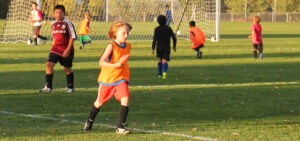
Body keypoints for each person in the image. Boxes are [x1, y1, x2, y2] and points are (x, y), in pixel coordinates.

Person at [83, 21, 132, 134]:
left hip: (121, 78)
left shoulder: (128, 46)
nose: (126, 35)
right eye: (123, 33)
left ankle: (120, 127)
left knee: (125, 98)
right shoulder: (111, 46)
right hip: (107, 80)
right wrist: (115, 65)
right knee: (99, 102)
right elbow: (101, 62)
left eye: (128, 33)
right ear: (115, 33)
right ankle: (89, 121)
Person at [39, 5, 77, 93]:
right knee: (49, 64)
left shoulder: (68, 23)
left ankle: (70, 88)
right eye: (57, 12)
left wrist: (68, 49)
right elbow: (55, 37)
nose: (58, 14)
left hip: (66, 49)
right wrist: (53, 44)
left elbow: (72, 37)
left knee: (67, 68)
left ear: (64, 13)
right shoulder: (53, 24)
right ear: (53, 14)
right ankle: (48, 87)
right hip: (56, 48)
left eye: (60, 12)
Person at [152, 15, 176, 79]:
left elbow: (154, 39)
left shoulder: (156, 29)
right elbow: (174, 38)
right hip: (167, 47)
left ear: (158, 21)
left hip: (159, 47)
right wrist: (174, 46)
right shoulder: (169, 28)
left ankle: (160, 74)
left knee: (159, 60)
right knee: (165, 61)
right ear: (165, 21)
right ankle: (164, 73)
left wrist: (153, 48)